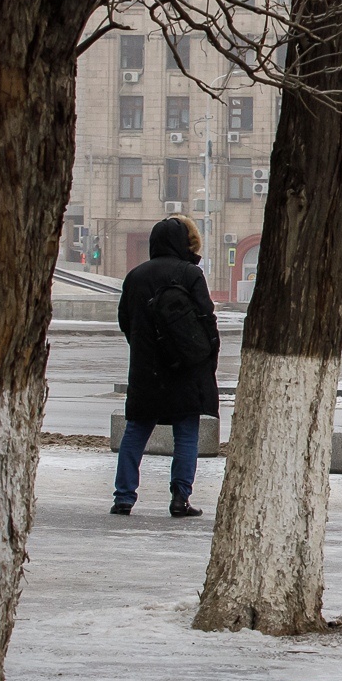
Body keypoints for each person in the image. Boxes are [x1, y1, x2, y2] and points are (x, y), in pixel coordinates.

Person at [114, 216, 219, 518]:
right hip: (185, 368)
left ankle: (124, 497)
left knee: (135, 431)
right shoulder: (190, 274)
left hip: (146, 369)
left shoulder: (135, 276)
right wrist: (205, 358)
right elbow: (206, 319)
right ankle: (180, 498)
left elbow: (125, 321)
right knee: (186, 434)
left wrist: (145, 347)